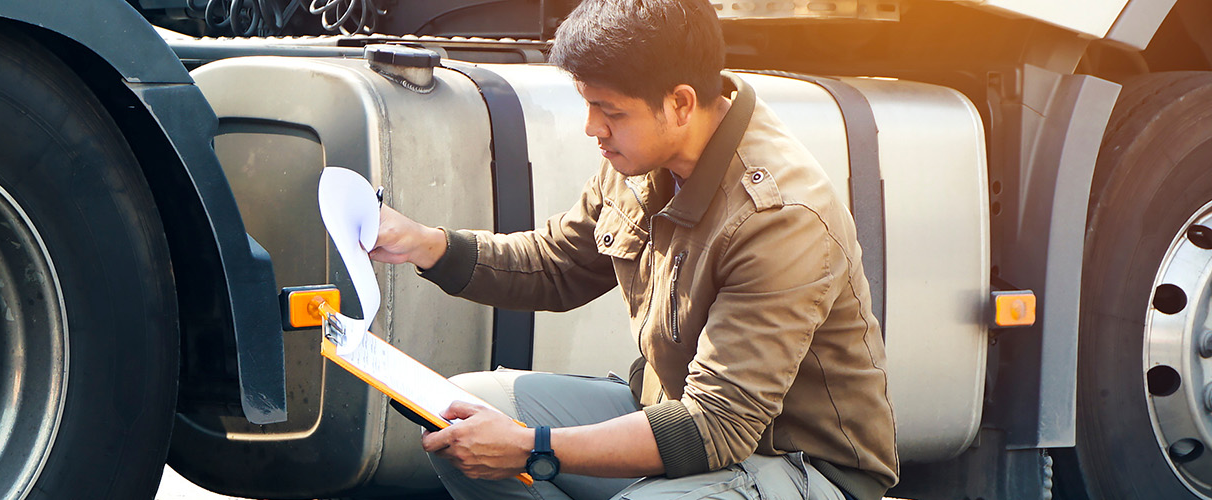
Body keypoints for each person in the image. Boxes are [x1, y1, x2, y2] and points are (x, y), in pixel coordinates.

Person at [365, 0, 899, 499]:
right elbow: (559, 264)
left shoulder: (778, 216)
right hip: (674, 411)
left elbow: (720, 423)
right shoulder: (644, 159)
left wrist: (533, 448)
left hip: (801, 465)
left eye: (609, 111)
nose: (592, 128)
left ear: (680, 103)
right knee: (458, 423)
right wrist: (425, 245)